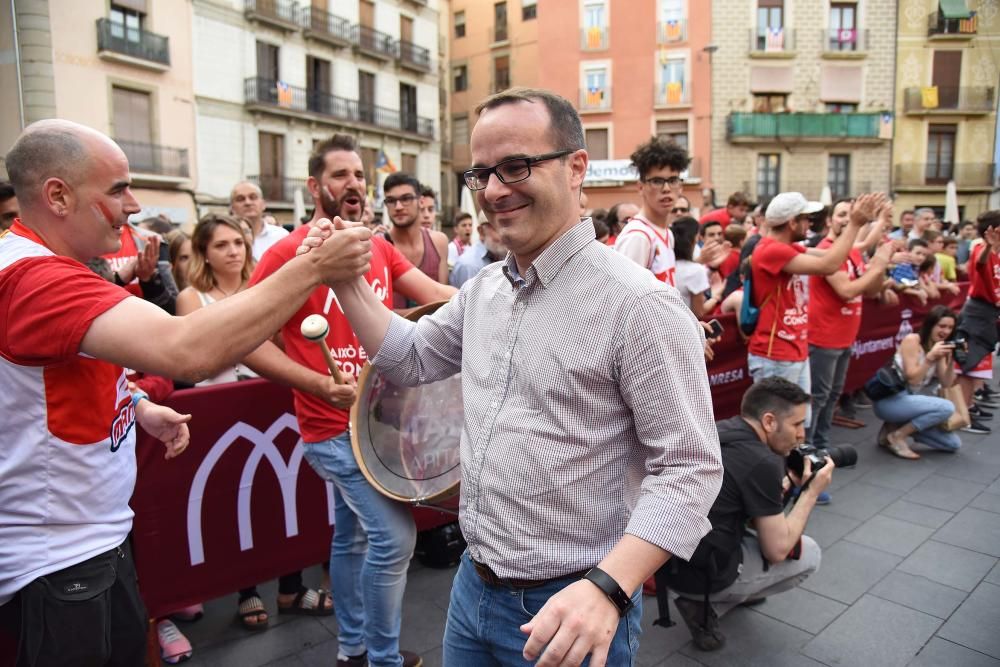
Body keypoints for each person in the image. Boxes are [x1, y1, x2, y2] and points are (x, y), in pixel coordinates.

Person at [311, 87, 722, 666]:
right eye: (481, 174)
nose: (495, 190)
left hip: (570, 609)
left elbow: (689, 466)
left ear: (577, 167)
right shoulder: (484, 291)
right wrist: (346, 280)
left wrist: (608, 587)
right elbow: (410, 358)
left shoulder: (639, 306)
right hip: (471, 589)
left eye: (516, 166)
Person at [0, 119, 370, 665]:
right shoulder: (34, 278)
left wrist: (139, 406)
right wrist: (312, 267)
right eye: (118, 189)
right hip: (58, 559)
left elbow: (63, 375)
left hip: (88, 541)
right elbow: (187, 348)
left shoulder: (55, 269)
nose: (133, 204)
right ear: (57, 195)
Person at [243, 133, 454, 667]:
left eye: (359, 175)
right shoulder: (288, 254)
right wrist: (314, 383)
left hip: (377, 426)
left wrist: (508, 290)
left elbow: (437, 296)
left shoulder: (377, 247)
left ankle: (350, 650)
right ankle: (380, 660)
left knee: (354, 537)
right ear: (315, 187)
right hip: (331, 430)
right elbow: (243, 338)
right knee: (394, 540)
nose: (354, 184)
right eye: (340, 175)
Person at [669, 378, 828, 652]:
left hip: (667, 561)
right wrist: (811, 492)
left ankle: (725, 592)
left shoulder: (720, 429)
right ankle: (708, 605)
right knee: (809, 554)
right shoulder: (762, 461)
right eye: (797, 424)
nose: (802, 434)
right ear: (769, 421)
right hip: (703, 575)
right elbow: (777, 550)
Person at [807, 199, 896, 449]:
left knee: (832, 396)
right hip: (824, 337)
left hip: (845, 337)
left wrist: (878, 270)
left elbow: (870, 291)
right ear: (829, 220)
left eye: (852, 214)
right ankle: (810, 449)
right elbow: (846, 290)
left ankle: (821, 444)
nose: (847, 219)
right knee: (818, 397)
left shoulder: (853, 251)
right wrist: (877, 266)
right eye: (841, 214)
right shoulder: (827, 249)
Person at [175, 215, 259, 385]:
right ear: (204, 253)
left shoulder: (261, 288)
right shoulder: (190, 297)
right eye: (221, 245)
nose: (234, 252)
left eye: (238, 242)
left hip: (266, 388)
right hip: (213, 395)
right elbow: (198, 361)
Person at [873, 306, 963, 457]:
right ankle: (897, 436)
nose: (946, 331)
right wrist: (929, 359)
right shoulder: (913, 340)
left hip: (907, 402)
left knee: (952, 444)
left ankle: (893, 427)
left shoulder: (939, 347)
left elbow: (947, 384)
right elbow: (913, 379)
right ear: (930, 325)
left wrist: (952, 358)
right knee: (946, 407)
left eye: (950, 328)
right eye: (942, 326)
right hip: (889, 400)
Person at [954, 211, 1000, 435]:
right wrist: (991, 246)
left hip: (989, 313)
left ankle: (969, 407)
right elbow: (981, 264)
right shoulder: (982, 250)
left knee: (976, 365)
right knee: (968, 365)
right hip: (978, 313)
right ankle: (963, 415)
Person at [384, 173, 449, 308]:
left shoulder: (439, 242)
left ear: (421, 201)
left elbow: (443, 300)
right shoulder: (379, 246)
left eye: (406, 198)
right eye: (391, 200)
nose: (398, 206)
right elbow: (378, 312)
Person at [673, 216, 721, 317]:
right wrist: (716, 298)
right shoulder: (695, 270)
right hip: (686, 326)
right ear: (695, 238)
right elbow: (698, 313)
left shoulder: (666, 266)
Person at [230, 180, 290, 260]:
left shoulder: (281, 236)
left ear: (263, 204)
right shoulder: (227, 239)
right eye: (241, 199)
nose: (247, 202)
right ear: (232, 208)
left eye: (253, 197)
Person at [449, 211, 507, 288]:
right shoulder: (469, 266)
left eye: (508, 227)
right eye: (498, 228)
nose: (507, 234)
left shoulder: (503, 256)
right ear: (481, 232)